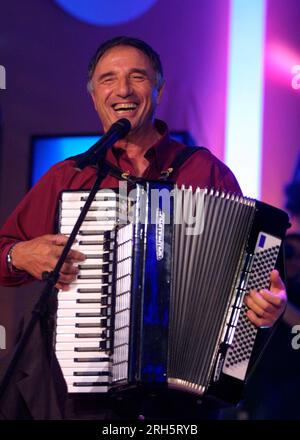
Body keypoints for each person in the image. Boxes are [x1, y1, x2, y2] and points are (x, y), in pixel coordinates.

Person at [0, 36, 287, 420]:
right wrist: (20, 253)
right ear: (93, 95)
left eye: (138, 77)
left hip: (183, 400)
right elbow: (4, 251)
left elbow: (257, 282)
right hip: (83, 392)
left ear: (158, 88)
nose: (123, 90)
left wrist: (267, 307)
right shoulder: (69, 176)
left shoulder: (204, 171)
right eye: (108, 79)